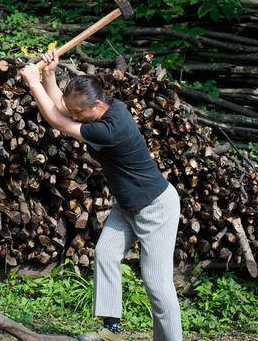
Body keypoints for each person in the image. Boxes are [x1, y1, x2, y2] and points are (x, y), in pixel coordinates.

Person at [19, 51, 183, 341]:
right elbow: (64, 108)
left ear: (95, 105)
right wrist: (48, 74)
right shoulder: (104, 108)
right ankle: (112, 329)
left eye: (79, 112)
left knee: (157, 284)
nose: (74, 114)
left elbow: (59, 121)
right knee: (106, 254)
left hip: (155, 207)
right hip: (128, 204)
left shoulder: (112, 129)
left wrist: (34, 85)